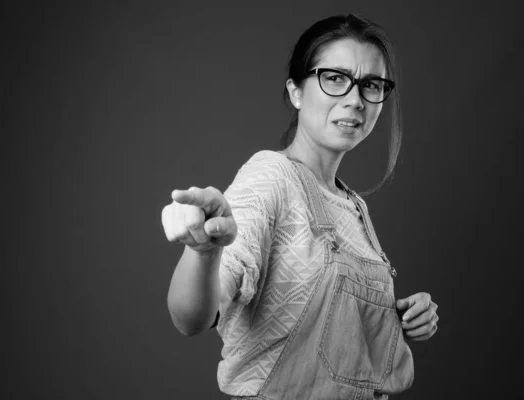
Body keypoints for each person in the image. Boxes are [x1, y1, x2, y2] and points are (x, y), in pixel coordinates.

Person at [162, 14, 439, 400]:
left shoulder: (353, 207)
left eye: (371, 85)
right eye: (335, 78)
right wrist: (203, 251)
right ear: (296, 91)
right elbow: (191, 318)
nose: (356, 100)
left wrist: (403, 317)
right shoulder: (271, 176)